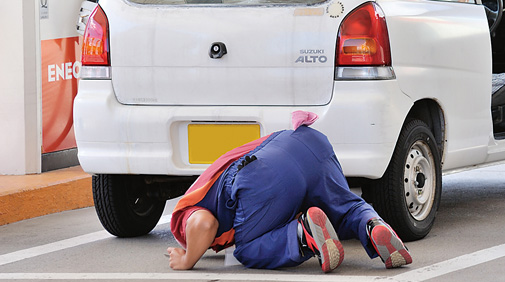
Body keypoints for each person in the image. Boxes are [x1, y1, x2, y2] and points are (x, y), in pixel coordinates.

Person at [167, 111, 412, 271]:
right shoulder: (211, 179)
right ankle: (372, 225)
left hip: (263, 175)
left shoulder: (186, 212)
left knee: (248, 249)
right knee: (345, 208)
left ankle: (302, 233)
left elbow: (202, 224)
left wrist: (187, 259)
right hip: (309, 143)